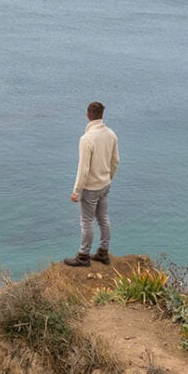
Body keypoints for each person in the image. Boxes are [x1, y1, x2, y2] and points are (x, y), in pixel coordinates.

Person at [64, 101, 119, 268]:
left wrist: (76, 191)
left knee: (87, 222)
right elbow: (115, 161)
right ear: (102, 115)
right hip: (105, 184)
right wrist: (108, 178)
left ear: (88, 115)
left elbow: (83, 169)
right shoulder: (111, 134)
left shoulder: (87, 139)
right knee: (103, 219)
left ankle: (83, 256)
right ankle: (103, 253)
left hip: (90, 188)